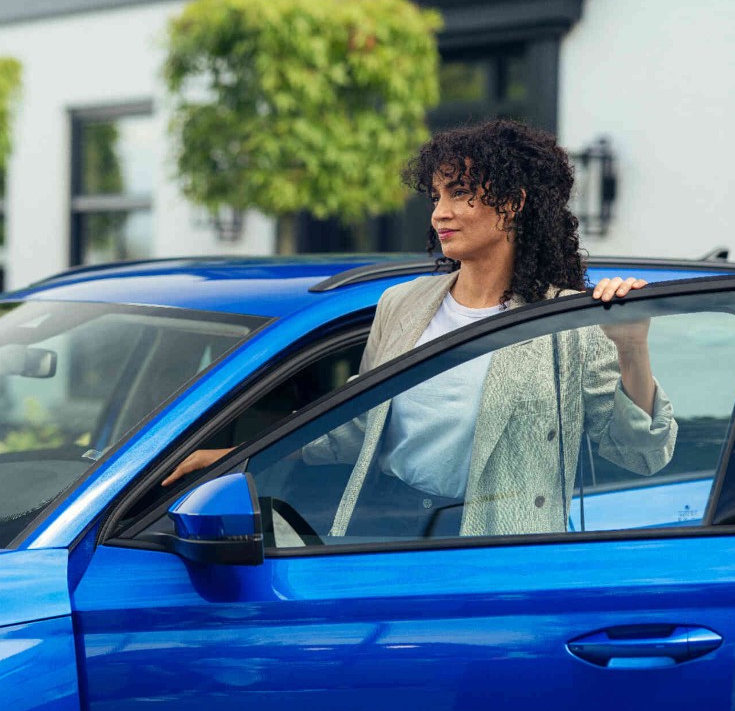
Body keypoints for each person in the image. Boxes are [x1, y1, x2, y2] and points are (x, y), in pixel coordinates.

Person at [164, 119, 676, 539]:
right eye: (435, 197)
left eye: (458, 194)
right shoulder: (402, 305)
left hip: (494, 537)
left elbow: (641, 454)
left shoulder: (566, 321)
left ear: (514, 204)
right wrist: (239, 456)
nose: (440, 214)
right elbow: (353, 427)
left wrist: (632, 349)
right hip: (382, 526)